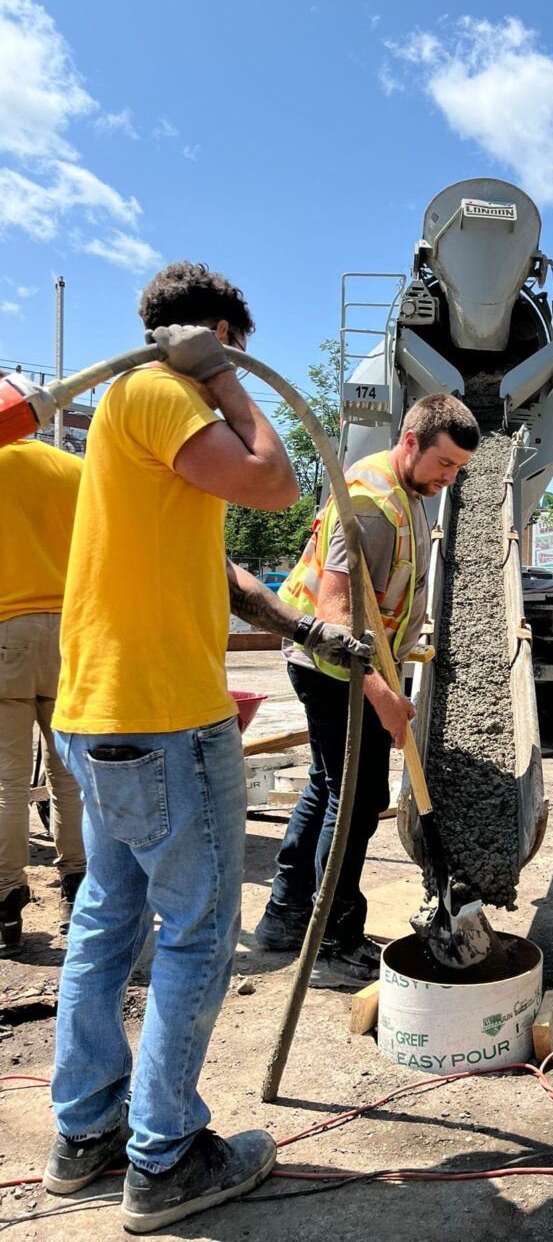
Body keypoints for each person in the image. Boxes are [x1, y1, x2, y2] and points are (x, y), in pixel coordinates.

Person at [42, 263, 368, 1233]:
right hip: (161, 717)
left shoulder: (128, 419)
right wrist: (225, 382)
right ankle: (167, 1156)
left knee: (108, 923)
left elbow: (216, 561)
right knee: (193, 931)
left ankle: (88, 1134)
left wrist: (303, 631)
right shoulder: (158, 393)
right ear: (219, 334)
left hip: (104, 711)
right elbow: (275, 483)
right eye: (234, 352)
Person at [255, 393, 480, 989]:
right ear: (410, 441)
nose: (448, 477)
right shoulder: (374, 504)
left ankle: (284, 914)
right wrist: (383, 694)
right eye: (443, 464)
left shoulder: (414, 490)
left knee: (329, 785)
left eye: (457, 468)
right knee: (355, 799)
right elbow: (334, 609)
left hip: (348, 665)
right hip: (330, 665)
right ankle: (333, 939)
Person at [0, 432, 84, 955]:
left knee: (6, 783)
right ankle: (78, 887)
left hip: (5, 631)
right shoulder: (73, 470)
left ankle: (5, 904)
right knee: (71, 774)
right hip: (70, 634)